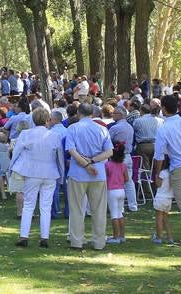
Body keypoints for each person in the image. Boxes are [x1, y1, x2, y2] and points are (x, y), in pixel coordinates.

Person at [10, 108, 63, 248]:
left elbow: (16, 152)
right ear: (47, 120)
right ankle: (44, 237)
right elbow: (60, 158)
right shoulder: (54, 135)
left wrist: (11, 167)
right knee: (45, 206)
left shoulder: (26, 134)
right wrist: (61, 175)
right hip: (50, 173)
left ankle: (24, 236)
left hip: (32, 172)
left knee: (29, 205)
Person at [66, 103, 114, 251]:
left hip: (78, 173)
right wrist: (93, 162)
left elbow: (71, 150)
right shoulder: (102, 129)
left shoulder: (73, 128)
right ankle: (99, 242)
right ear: (92, 114)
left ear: (79, 113)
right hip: (98, 173)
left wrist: (86, 164)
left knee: (76, 208)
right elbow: (109, 152)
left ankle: (77, 241)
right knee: (98, 209)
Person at [153, 94, 181, 246]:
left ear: (163, 108)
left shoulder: (164, 129)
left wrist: (157, 174)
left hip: (179, 167)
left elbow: (159, 156)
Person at [108, 106, 137, 212]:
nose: (113, 115)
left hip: (118, 158)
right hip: (128, 156)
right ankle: (133, 205)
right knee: (129, 181)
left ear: (120, 115)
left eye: (114, 113)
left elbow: (108, 140)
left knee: (118, 182)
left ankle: (121, 207)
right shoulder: (130, 127)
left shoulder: (115, 128)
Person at [105, 143, 129, 244]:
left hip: (112, 191)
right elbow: (127, 178)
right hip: (121, 190)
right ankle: (122, 235)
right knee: (120, 213)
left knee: (114, 214)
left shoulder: (107, 165)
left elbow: (105, 178)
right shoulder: (123, 165)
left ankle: (116, 237)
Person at [152, 159, 174, 244]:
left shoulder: (162, 173)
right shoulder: (172, 173)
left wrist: (156, 176)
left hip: (161, 198)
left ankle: (159, 237)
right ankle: (170, 237)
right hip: (169, 199)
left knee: (159, 219)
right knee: (165, 219)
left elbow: (158, 184)